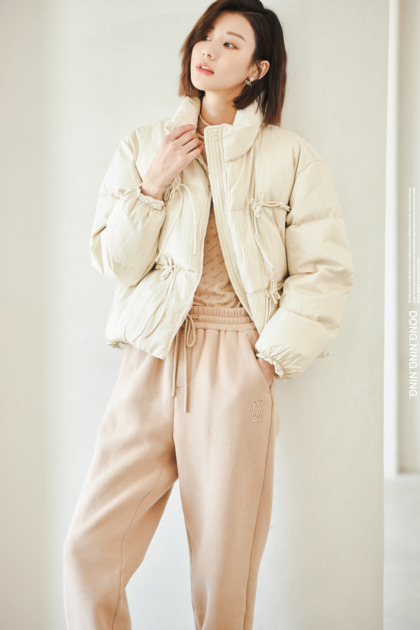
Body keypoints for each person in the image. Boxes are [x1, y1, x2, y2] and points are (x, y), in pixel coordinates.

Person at [63, 1, 354, 628]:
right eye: (206, 36)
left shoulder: (290, 156)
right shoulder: (144, 145)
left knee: (224, 566)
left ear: (257, 69)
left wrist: (267, 361)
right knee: (89, 547)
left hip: (237, 360)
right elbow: (116, 262)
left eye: (231, 43)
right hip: (152, 356)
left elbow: (323, 271)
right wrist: (153, 184)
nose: (209, 50)